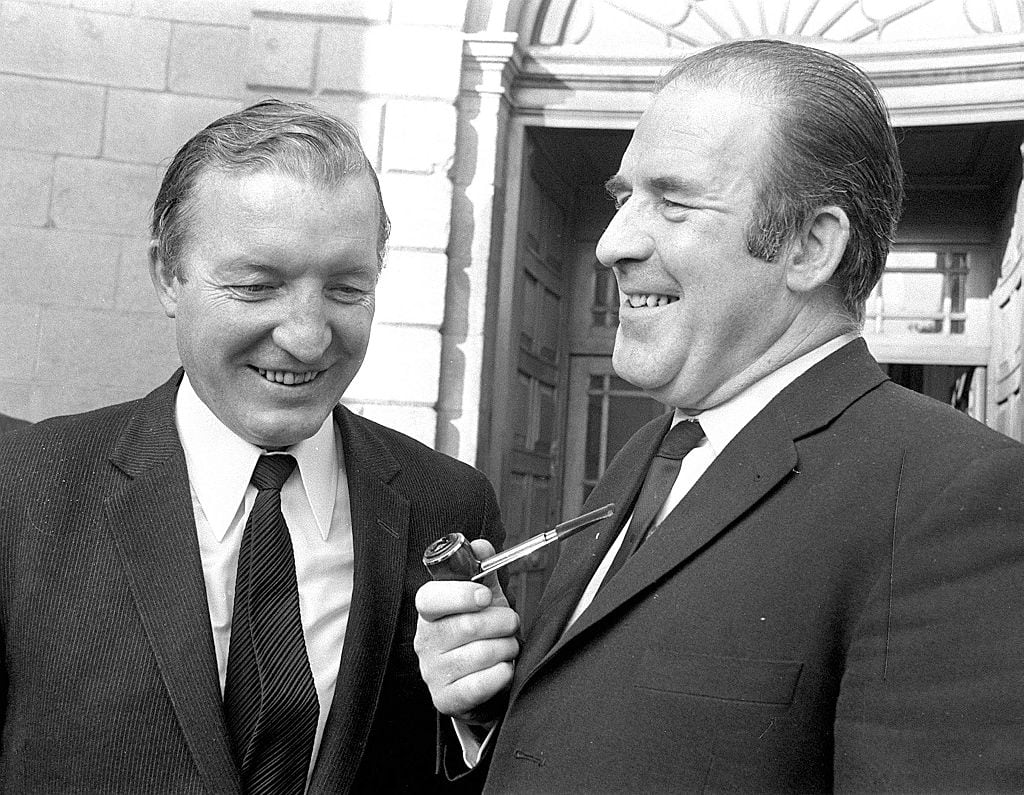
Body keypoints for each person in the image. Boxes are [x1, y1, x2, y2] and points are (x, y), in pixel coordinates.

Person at [414, 39, 1024, 792]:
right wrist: (482, 707)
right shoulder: (649, 450)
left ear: (810, 246)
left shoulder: (955, 496)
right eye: (622, 198)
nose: (612, 243)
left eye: (673, 202)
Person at [0, 99, 503, 793]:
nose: (306, 335)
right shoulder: (25, 488)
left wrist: (477, 715)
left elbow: (463, 766)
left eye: (346, 288)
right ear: (166, 276)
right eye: (257, 286)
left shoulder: (448, 503)